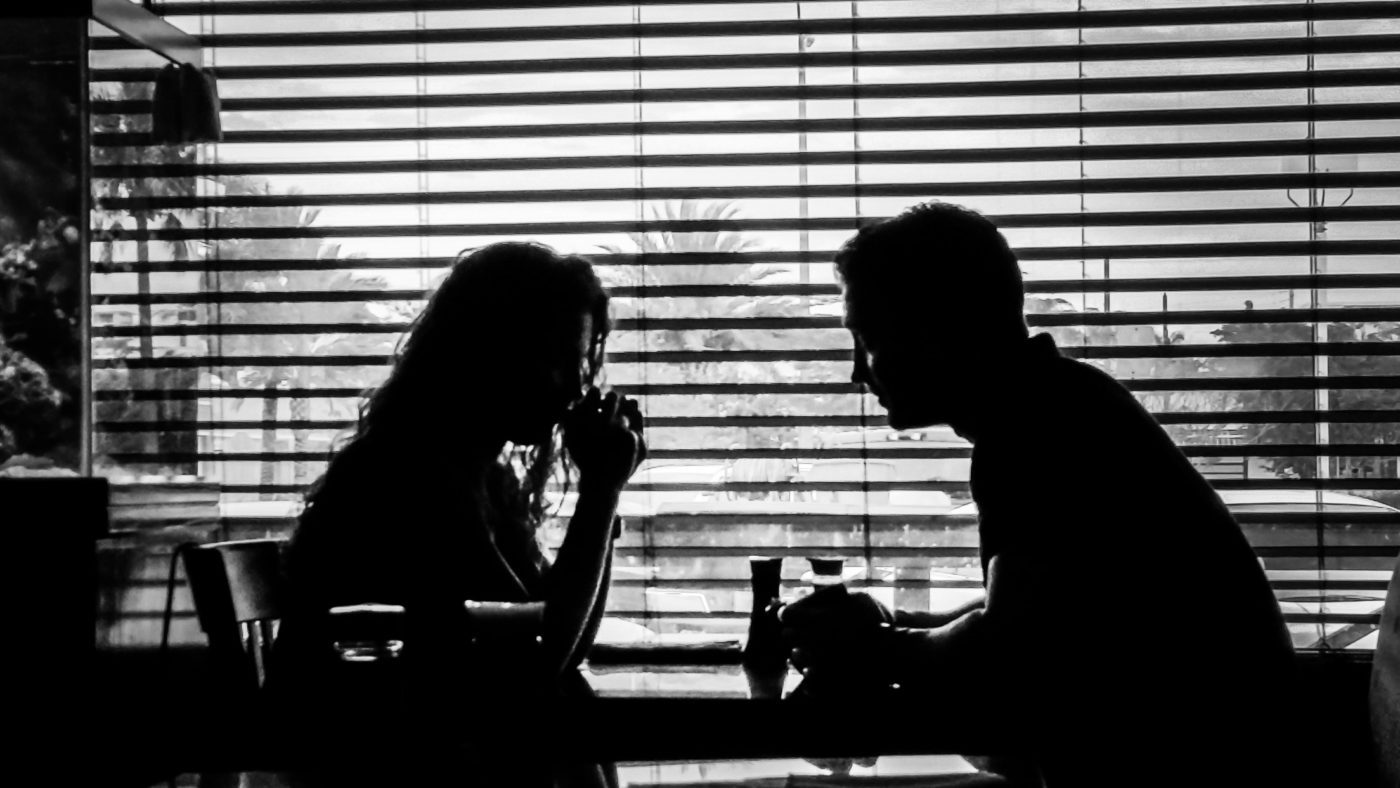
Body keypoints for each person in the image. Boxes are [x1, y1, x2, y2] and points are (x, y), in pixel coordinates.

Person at [779, 203, 1301, 788]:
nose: (858, 371)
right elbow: (1036, 608)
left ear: (934, 331)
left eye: (867, 338)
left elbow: (1007, 649)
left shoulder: (1034, 429)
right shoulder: (1057, 399)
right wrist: (895, 624)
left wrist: (876, 647)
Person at [273, 242, 643, 784]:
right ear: (490, 352)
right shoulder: (412, 475)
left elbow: (561, 641)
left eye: (581, 362)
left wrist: (604, 500)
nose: (576, 386)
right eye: (557, 358)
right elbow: (537, 660)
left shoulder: (479, 474)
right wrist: (602, 491)